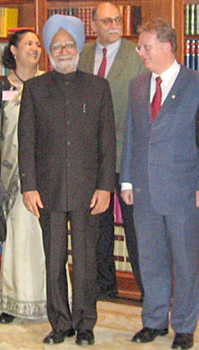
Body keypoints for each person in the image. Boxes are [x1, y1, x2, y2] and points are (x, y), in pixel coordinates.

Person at [18, 15, 116, 346]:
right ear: (49, 50)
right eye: (57, 46)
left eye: (69, 44)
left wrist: (105, 187)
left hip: (90, 191)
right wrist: (28, 185)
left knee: (87, 262)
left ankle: (85, 323)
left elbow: (107, 143)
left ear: (78, 47)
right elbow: (26, 142)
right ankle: (60, 323)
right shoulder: (34, 89)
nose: (63, 51)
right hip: (48, 190)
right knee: (54, 259)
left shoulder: (98, 87)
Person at [121, 18, 199, 350]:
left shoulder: (195, 83)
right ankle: (153, 321)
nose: (140, 52)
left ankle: (184, 326)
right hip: (143, 188)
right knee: (150, 259)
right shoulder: (138, 85)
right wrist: (126, 178)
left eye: (145, 46)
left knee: (185, 262)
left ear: (167, 46)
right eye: (140, 46)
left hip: (183, 190)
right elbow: (131, 135)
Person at [78, 2, 145, 300]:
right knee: (98, 227)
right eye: (106, 20)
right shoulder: (83, 56)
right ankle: (105, 285)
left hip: (128, 155)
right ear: (94, 24)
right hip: (91, 159)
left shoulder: (137, 56)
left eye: (117, 19)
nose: (114, 25)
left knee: (136, 227)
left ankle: (148, 289)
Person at [0, 29, 48, 324]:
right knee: (18, 240)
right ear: (13, 50)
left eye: (38, 44)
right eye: (28, 44)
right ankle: (15, 302)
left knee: (47, 240)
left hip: (45, 175)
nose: (35, 48)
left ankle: (51, 299)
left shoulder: (51, 83)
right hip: (10, 176)